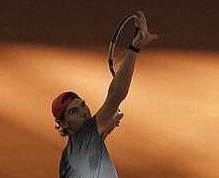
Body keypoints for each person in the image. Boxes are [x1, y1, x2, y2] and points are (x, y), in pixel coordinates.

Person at [52, 11, 158, 177]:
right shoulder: (85, 140)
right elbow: (117, 95)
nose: (84, 111)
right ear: (64, 124)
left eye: (83, 105)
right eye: (74, 112)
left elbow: (111, 96)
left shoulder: (73, 150)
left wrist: (108, 124)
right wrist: (135, 47)